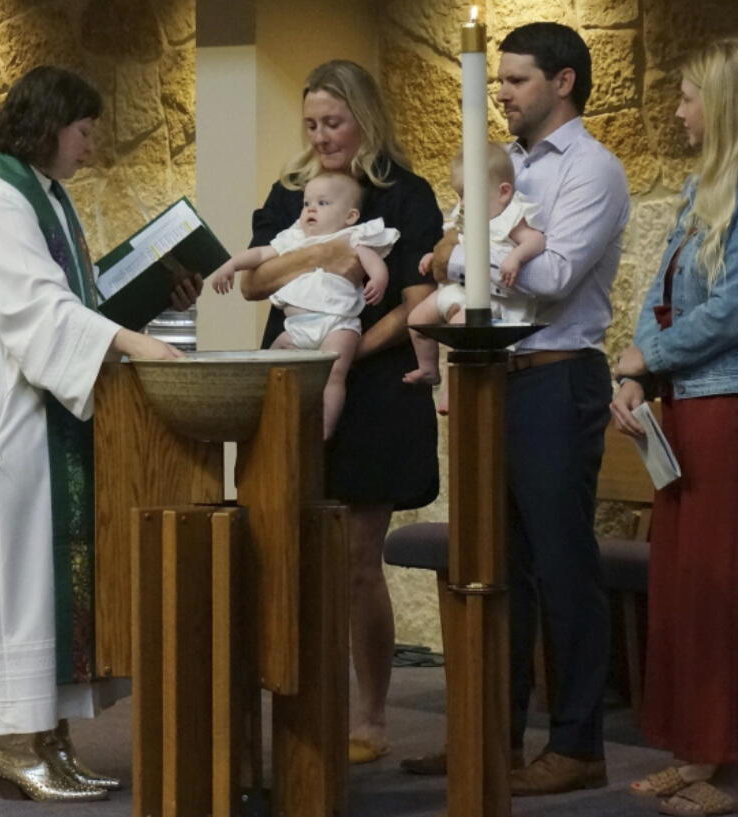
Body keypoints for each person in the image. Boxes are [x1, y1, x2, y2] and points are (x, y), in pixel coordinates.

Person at [0, 65, 201, 802]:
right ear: (51, 126)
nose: (92, 146)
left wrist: (152, 292)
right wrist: (137, 346)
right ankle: (16, 743)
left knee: (47, 583)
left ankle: (50, 736)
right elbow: (36, 314)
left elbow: (75, 298)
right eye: (86, 131)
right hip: (12, 425)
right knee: (17, 580)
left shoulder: (42, 195)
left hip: (45, 416)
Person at [610, 38, 738, 816]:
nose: (678, 109)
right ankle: (696, 749)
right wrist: (637, 371)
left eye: (690, 96)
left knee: (728, 585)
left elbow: (735, 311)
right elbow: (660, 291)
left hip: (734, 404)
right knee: (685, 586)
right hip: (685, 399)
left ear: (724, 105)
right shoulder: (704, 189)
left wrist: (647, 353)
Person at [432, 22, 630, 796]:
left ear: (563, 83)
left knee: (560, 564)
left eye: (515, 80)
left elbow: (551, 275)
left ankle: (578, 742)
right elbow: (443, 250)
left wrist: (468, 254)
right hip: (491, 377)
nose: (501, 94)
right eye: (499, 79)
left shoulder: (594, 169)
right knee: (491, 562)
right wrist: (473, 253)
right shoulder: (501, 166)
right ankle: (492, 738)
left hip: (555, 375)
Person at [236, 59, 442, 765]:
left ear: (365, 118)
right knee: (289, 554)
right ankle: (302, 706)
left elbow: (413, 304)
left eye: (334, 122)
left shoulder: (406, 195)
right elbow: (255, 281)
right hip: (292, 382)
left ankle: (372, 712)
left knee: (357, 560)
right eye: (312, 124)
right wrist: (333, 250)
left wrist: (344, 351)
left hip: (375, 387)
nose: (322, 136)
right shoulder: (292, 192)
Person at [211, 170, 399, 439]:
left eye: (323, 204)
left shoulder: (352, 237)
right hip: (296, 328)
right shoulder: (293, 239)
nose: (311, 209)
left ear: (350, 216)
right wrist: (231, 264)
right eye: (307, 203)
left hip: (338, 324)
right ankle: (272, 418)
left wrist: (379, 280)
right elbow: (261, 253)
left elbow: (372, 261)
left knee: (335, 373)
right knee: (271, 366)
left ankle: (323, 428)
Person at [404, 142, 545, 387]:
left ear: (503, 192)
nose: (464, 203)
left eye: (470, 194)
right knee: (417, 319)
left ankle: (454, 387)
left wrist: (517, 256)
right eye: (460, 195)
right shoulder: (464, 216)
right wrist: (432, 256)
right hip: (457, 289)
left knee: (461, 331)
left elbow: (537, 240)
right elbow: (453, 243)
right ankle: (428, 368)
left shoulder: (509, 218)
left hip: (489, 300)